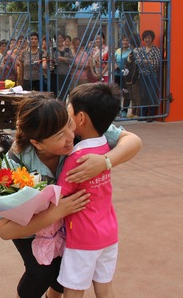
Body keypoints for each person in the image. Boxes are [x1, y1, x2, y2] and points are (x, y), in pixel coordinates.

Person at [0, 92, 142, 298]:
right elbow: (5, 230)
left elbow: (133, 141)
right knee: (42, 273)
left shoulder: (77, 131)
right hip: (31, 227)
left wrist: (105, 161)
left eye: (69, 126)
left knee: (66, 268)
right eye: (59, 136)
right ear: (37, 143)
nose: (70, 137)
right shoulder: (15, 163)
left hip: (69, 223)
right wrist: (56, 212)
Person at [56, 83, 122, 298]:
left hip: (83, 236)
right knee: (105, 287)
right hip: (108, 231)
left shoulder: (76, 157)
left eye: (68, 111)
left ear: (81, 118)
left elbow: (60, 194)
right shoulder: (105, 148)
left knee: (74, 289)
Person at [133, 30, 161, 121]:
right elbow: (137, 62)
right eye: (146, 38)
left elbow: (156, 65)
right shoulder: (142, 49)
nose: (147, 39)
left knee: (152, 94)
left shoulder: (156, 50)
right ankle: (143, 114)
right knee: (143, 95)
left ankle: (151, 115)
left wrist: (144, 61)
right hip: (143, 75)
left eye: (149, 38)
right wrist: (149, 61)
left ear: (152, 38)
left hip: (152, 75)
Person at [114, 36, 132, 117]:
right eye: (123, 40)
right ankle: (117, 110)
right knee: (116, 93)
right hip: (117, 74)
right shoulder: (117, 51)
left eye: (126, 41)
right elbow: (113, 60)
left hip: (126, 75)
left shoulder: (130, 52)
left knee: (126, 93)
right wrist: (115, 66)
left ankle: (124, 110)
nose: (125, 42)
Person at [52, 32, 73, 99]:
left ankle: (63, 107)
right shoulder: (53, 50)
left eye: (61, 38)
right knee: (56, 93)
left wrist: (63, 59)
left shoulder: (68, 49)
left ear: (63, 39)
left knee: (65, 93)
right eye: (57, 38)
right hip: (56, 74)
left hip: (66, 74)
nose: (59, 40)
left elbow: (72, 61)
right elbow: (51, 60)